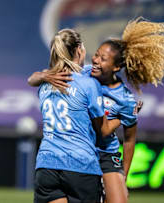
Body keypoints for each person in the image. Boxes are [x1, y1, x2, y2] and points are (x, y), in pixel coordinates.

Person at [29, 17, 164, 203]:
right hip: (83, 153)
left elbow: (129, 140)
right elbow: (34, 79)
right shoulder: (85, 74)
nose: (96, 60)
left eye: (103, 59)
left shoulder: (125, 99)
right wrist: (46, 75)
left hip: (105, 153)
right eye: (96, 54)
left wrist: (124, 175)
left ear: (116, 67)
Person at [33, 28, 120, 203]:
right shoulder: (88, 85)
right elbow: (102, 130)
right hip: (80, 167)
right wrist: (122, 115)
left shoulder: (44, 84)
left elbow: (34, 79)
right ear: (79, 49)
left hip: (46, 166)